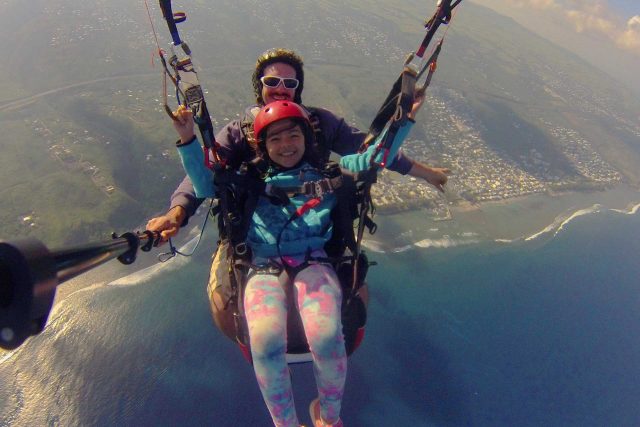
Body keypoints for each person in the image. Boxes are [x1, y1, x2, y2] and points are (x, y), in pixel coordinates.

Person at [172, 96, 428, 427]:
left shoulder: (332, 173)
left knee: (326, 336)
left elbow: (376, 158)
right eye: (275, 139)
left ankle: (328, 417)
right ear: (263, 147)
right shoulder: (251, 179)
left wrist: (402, 122)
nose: (286, 145)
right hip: (263, 264)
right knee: (263, 339)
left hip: (314, 262)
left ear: (307, 139)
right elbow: (206, 184)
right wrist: (188, 139)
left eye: (293, 135)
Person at [146, 48, 449, 242]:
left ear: (298, 89)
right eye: (272, 83)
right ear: (259, 87)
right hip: (258, 225)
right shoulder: (240, 130)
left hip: (314, 222)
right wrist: (178, 212)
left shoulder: (321, 122)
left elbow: (369, 151)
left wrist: (427, 172)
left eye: (290, 84)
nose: (281, 89)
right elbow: (207, 171)